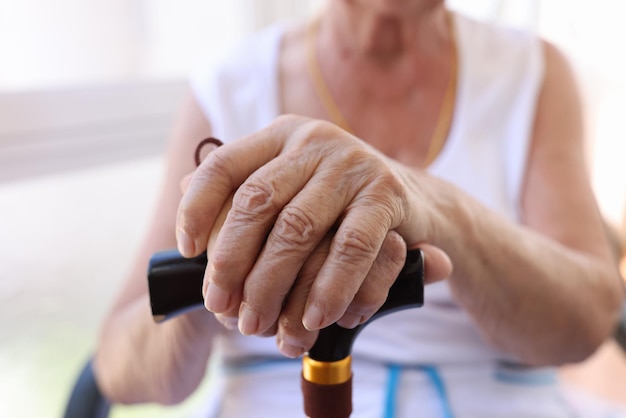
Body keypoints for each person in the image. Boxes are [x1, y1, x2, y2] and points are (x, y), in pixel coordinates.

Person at [94, 0, 626, 416]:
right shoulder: (231, 83)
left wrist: (434, 206)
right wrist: (215, 284)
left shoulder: (528, 71)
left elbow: (588, 315)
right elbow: (117, 363)